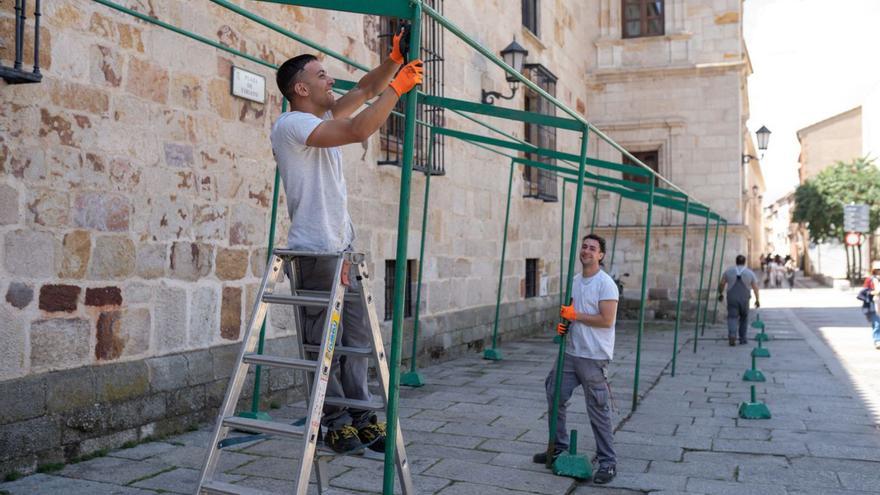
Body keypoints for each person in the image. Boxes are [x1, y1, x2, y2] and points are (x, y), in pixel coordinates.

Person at [270, 31, 423, 453]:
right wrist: (400, 88)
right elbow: (359, 129)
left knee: (355, 342)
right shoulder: (292, 124)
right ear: (301, 88)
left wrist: (393, 62)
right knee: (326, 344)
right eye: (321, 75)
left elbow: (364, 90)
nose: (329, 79)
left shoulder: (321, 118)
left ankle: (360, 415)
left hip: (341, 249)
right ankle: (333, 419)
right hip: (315, 251)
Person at [533, 234, 619, 485]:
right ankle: (557, 447)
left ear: (601, 255)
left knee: (598, 409)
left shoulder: (606, 284)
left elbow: (607, 320)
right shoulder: (575, 282)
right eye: (584, 247)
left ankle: (608, 462)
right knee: (554, 391)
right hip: (571, 353)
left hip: (594, 357)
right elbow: (570, 314)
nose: (587, 251)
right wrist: (565, 325)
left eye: (593, 248)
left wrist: (576, 315)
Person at [717, 254, 761, 346]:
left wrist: (720, 293)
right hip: (744, 299)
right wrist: (757, 299)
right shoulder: (750, 273)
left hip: (732, 298)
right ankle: (742, 338)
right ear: (744, 262)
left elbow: (722, 284)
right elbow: (755, 288)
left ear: (736, 261)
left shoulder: (728, 272)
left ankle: (732, 335)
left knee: (732, 317)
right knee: (744, 318)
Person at [863, 262, 880, 349]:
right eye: (877, 270)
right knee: (877, 322)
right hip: (874, 304)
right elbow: (864, 292)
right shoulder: (870, 280)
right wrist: (873, 292)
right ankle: (877, 340)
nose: (879, 271)